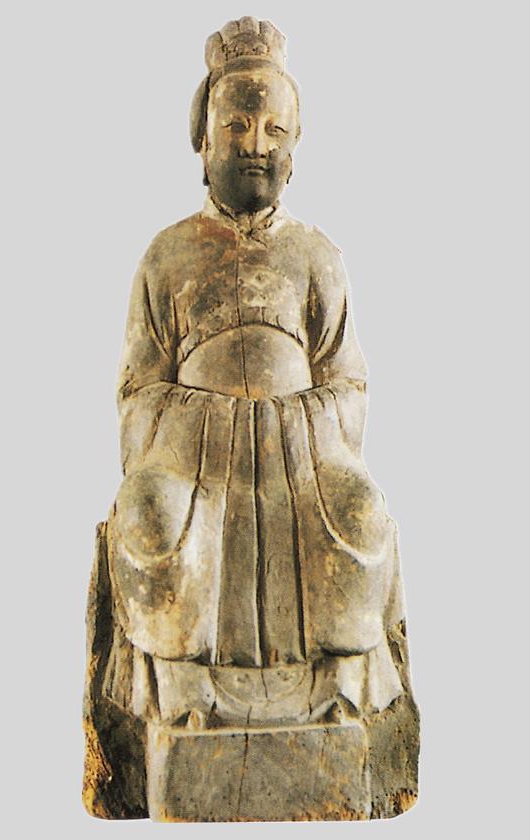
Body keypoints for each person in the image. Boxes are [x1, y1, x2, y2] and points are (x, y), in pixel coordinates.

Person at [105, 16, 409, 728]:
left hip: (301, 462)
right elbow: (137, 390)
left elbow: (348, 382)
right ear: (203, 141)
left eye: (275, 130)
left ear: (295, 151)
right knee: (148, 514)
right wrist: (212, 422)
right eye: (237, 126)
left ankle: (338, 686)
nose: (255, 145)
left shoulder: (317, 256)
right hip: (192, 465)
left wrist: (288, 424)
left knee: (364, 515)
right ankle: (183, 687)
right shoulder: (167, 256)